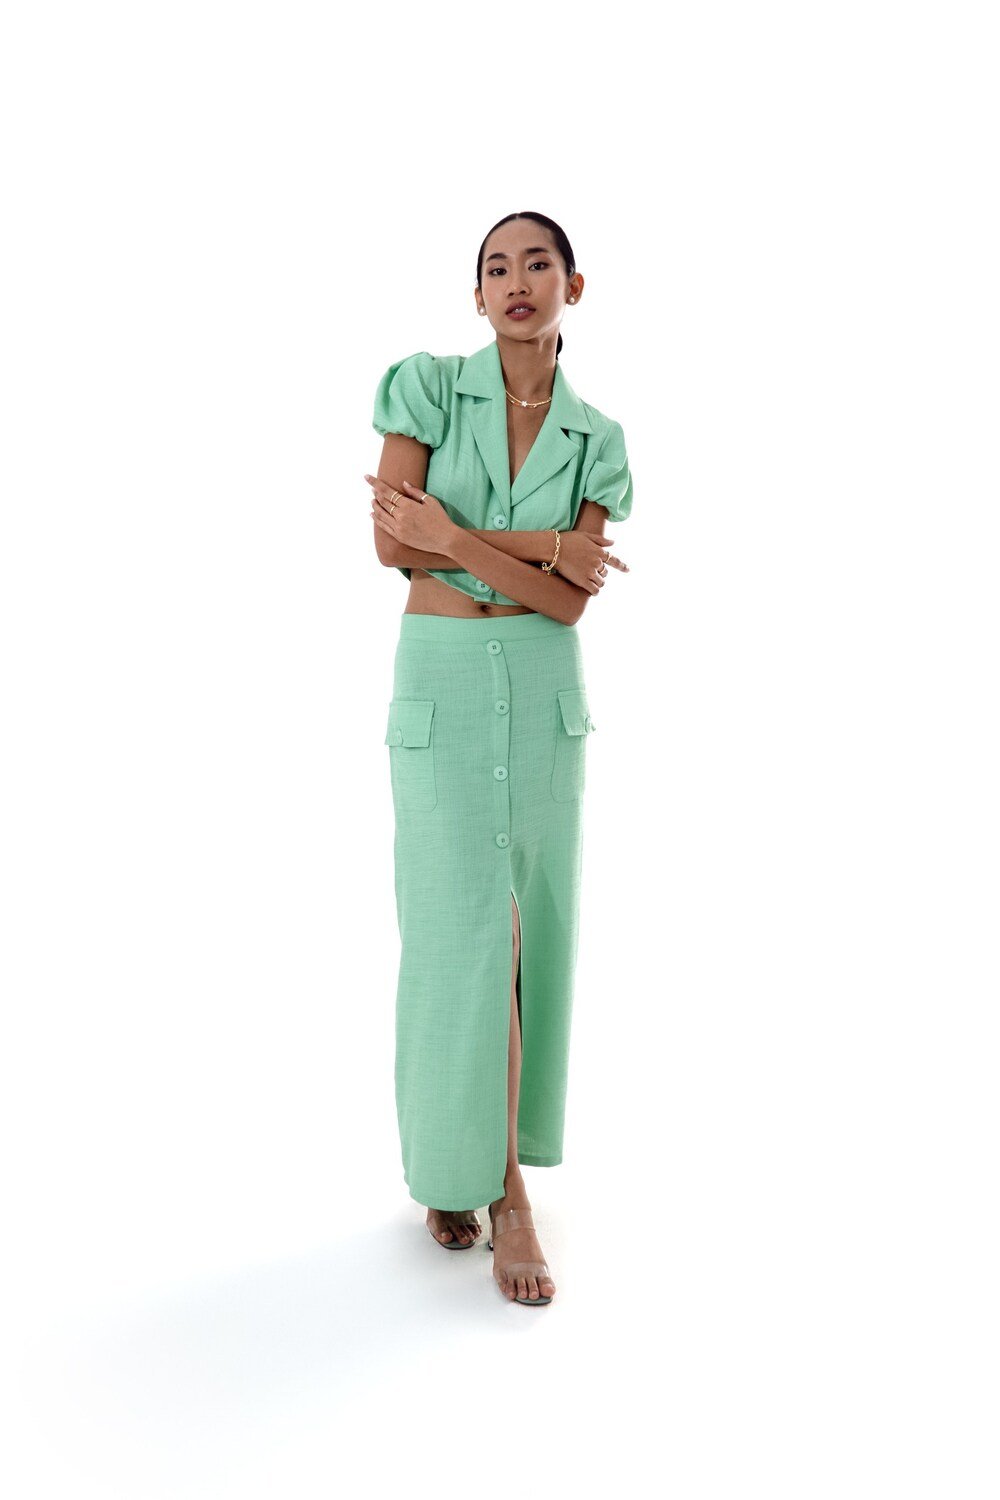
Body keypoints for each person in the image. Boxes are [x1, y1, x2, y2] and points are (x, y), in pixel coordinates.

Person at [364, 211, 634, 1305]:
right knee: (451, 938)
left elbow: (568, 605)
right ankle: (462, 1172)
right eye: (495, 267)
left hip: (540, 687)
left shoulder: (599, 439)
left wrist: (459, 541)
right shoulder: (427, 388)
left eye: (537, 263)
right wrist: (543, 549)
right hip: (440, 683)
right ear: (476, 295)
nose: (516, 280)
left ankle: (500, 1180)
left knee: (527, 934)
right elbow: (392, 540)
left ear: (575, 284)